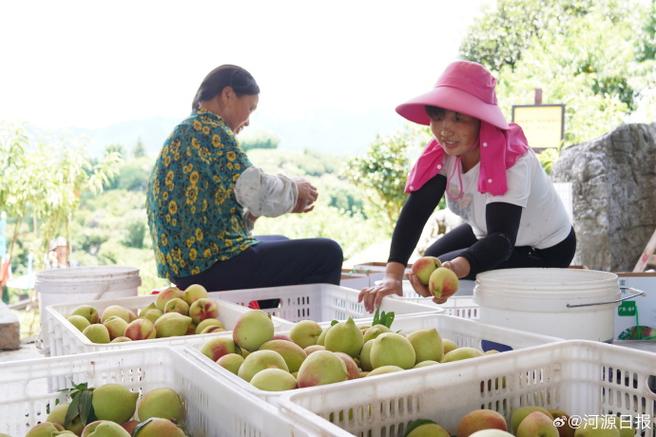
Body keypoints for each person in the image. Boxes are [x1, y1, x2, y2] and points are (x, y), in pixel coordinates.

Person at [359, 60, 576, 312]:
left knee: (442, 267)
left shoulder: (511, 160)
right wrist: (392, 276)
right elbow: (415, 213)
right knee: (430, 260)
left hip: (545, 249)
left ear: (481, 121)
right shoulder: (443, 155)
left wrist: (461, 266)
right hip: (488, 231)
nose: (445, 129)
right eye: (437, 117)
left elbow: (502, 238)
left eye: (458, 118)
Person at [146, 64, 343, 294]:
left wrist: (267, 209)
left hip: (190, 266)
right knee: (328, 253)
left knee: (280, 239)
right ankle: (316, 328)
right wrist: (295, 189)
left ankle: (264, 320)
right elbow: (257, 191)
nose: (249, 120)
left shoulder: (192, 130)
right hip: (208, 267)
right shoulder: (209, 131)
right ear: (228, 95)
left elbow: (237, 202)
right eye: (250, 108)